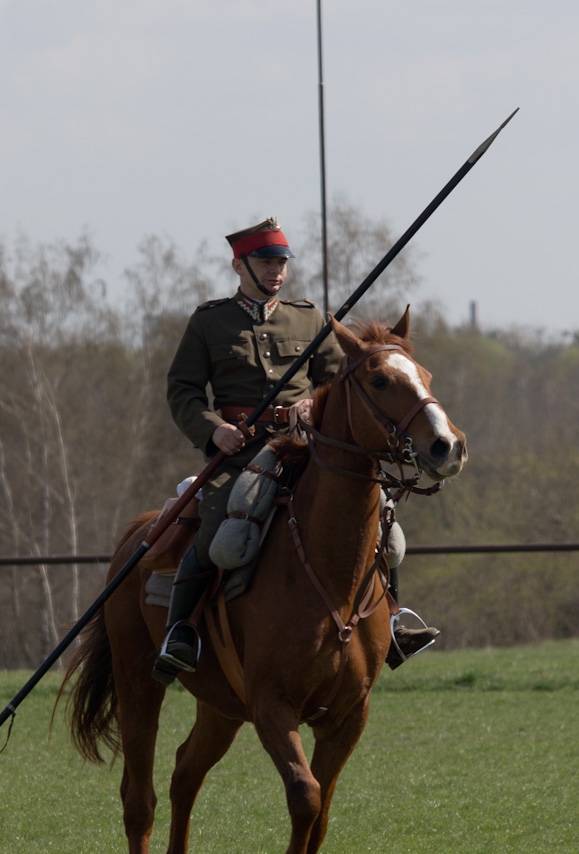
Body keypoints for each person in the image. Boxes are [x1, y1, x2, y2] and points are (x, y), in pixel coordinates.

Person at [152, 217, 437, 685]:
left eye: (281, 262)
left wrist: (313, 401)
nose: (276, 271)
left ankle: (393, 622)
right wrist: (214, 430)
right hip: (242, 452)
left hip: (306, 449)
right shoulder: (210, 322)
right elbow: (182, 390)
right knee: (217, 519)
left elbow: (339, 382)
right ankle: (180, 631)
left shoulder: (308, 318)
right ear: (239, 265)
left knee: (382, 519)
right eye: (265, 262)